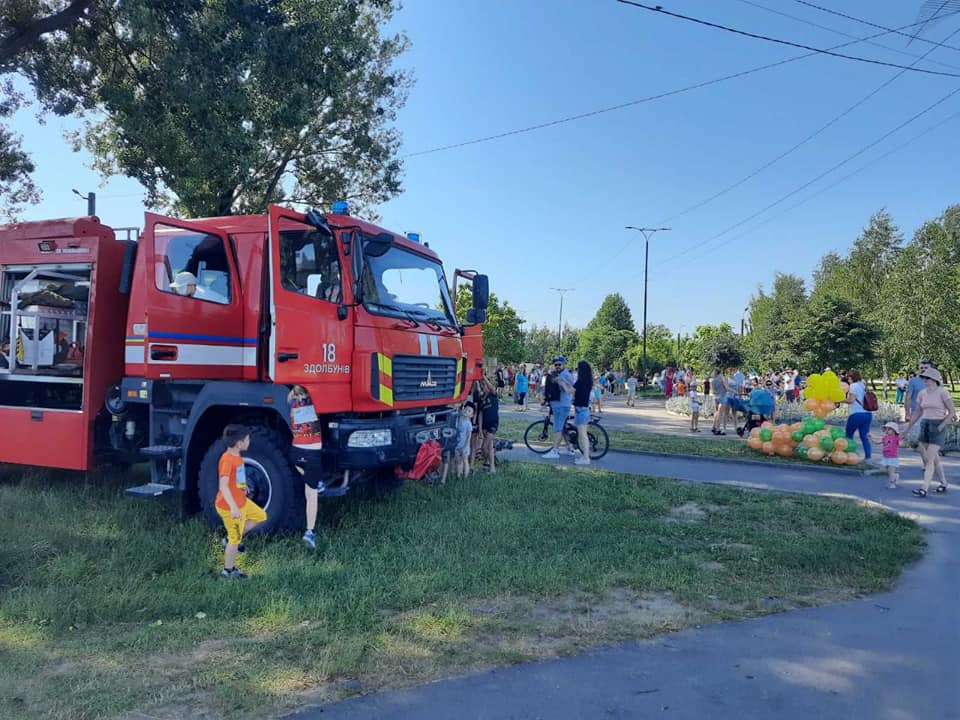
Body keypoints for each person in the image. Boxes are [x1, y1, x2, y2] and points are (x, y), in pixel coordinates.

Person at [216, 425, 266, 579]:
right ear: (239, 443)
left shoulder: (236, 456)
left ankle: (229, 539)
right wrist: (233, 508)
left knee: (260, 515)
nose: (249, 441)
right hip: (230, 506)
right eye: (247, 439)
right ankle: (228, 571)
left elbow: (237, 476)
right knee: (235, 539)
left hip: (242, 501)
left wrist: (243, 487)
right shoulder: (227, 460)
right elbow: (223, 486)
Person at [903, 368, 957, 497]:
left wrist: (942, 426)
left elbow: (952, 412)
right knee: (933, 458)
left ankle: (924, 488)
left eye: (926, 378)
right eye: (923, 378)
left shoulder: (942, 392)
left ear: (934, 379)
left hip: (938, 425)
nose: (924, 380)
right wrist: (907, 429)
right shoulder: (922, 393)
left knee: (929, 459)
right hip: (925, 424)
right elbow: (918, 412)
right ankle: (943, 482)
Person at [288, 386, 327, 550]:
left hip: (296, 451)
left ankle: (315, 480)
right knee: (312, 494)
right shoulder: (315, 400)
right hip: (313, 452)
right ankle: (309, 532)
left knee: (303, 472)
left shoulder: (291, 402)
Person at [543, 356, 577, 459]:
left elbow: (571, 387)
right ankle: (569, 448)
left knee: (558, 428)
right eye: (556, 364)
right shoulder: (559, 374)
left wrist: (559, 382)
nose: (557, 366)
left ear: (564, 364)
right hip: (559, 404)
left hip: (561, 405)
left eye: (559, 364)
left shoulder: (565, 375)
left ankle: (555, 451)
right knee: (562, 427)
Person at [843, 369, 873, 463]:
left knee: (849, 435)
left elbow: (851, 400)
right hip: (867, 414)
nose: (848, 379)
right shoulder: (862, 384)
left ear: (852, 377)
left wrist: (839, 399)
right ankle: (868, 457)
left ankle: (849, 456)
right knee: (864, 436)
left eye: (849, 377)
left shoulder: (853, 386)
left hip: (856, 414)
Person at [573, 361, 594, 466]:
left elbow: (571, 390)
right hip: (583, 409)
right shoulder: (588, 381)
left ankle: (586, 458)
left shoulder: (580, 381)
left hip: (581, 409)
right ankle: (584, 456)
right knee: (582, 434)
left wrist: (562, 384)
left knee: (583, 435)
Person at [479, 376, 500, 473]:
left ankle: (491, 463)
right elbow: (480, 415)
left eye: (484, 386)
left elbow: (491, 387)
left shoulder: (493, 395)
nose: (483, 387)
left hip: (493, 423)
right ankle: (490, 464)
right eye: (482, 386)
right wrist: (480, 429)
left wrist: (483, 377)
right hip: (484, 425)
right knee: (489, 447)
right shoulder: (481, 399)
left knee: (484, 446)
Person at [875, 422, 902, 489]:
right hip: (885, 457)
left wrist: (904, 444)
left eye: (889, 429)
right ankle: (896, 476)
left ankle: (892, 483)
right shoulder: (885, 438)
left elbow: (901, 444)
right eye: (886, 429)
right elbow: (877, 442)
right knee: (886, 470)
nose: (887, 431)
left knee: (891, 471)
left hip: (892, 457)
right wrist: (871, 438)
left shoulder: (896, 438)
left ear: (894, 430)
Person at [455, 402, 475, 478]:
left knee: (465, 460)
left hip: (464, 445)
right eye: (466, 409)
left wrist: (466, 446)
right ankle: (458, 475)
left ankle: (465, 476)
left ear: (471, 415)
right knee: (458, 460)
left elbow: (469, 436)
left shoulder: (469, 424)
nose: (466, 411)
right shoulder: (459, 419)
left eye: (469, 411)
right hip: (457, 444)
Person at [711, 367, 729, 435]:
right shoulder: (723, 379)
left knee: (716, 412)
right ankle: (718, 429)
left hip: (715, 396)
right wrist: (734, 391)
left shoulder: (713, 380)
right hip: (722, 396)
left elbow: (713, 391)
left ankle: (713, 426)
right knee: (720, 413)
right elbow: (727, 388)